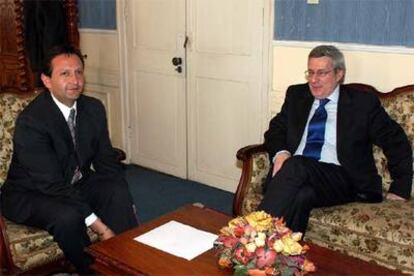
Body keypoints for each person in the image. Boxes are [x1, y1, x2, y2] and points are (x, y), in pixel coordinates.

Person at [0, 45, 138, 273]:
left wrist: (124, 198)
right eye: (65, 73)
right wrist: (100, 227)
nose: (75, 80)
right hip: (30, 192)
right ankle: (94, 270)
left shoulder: (93, 108)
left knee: (115, 190)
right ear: (46, 80)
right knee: (68, 216)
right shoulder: (33, 121)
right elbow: (52, 184)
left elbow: (106, 163)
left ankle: (129, 262)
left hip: (74, 181)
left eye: (79, 72)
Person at [259, 45, 412, 234]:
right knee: (302, 195)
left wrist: (401, 187)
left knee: (297, 164)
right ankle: (280, 256)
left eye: (322, 73)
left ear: (339, 74)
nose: (313, 80)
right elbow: (276, 129)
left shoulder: (362, 103)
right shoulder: (297, 95)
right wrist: (281, 153)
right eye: (311, 72)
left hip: (342, 179)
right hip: (296, 177)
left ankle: (251, 233)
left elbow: (395, 140)